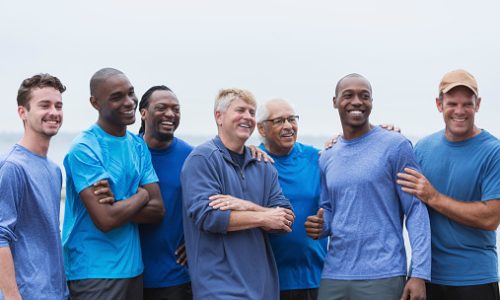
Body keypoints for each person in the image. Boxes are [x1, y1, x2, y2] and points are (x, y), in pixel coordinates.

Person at [305, 73, 431, 300]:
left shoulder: (396, 146)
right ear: (335, 102)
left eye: (364, 96)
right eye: (348, 95)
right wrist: (321, 226)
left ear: (371, 102)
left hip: (383, 273)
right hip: (334, 274)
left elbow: (415, 210)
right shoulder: (328, 155)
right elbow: (329, 208)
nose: (357, 102)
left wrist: (419, 274)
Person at [181, 88, 294, 299]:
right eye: (240, 110)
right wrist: (264, 216)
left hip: (263, 289)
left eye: (252, 112)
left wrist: (248, 206)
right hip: (218, 288)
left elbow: (285, 219)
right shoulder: (202, 159)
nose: (248, 117)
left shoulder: (263, 164)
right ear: (219, 116)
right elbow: (209, 217)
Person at [62, 68, 165, 299]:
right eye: (117, 97)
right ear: (95, 103)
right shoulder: (85, 148)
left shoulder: (138, 146)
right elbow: (106, 220)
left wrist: (118, 205)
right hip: (93, 273)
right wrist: (141, 196)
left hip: (134, 270)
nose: (129, 102)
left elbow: (158, 210)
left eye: (131, 93)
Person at [397, 69, 500, 300]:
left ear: (478, 104)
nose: (460, 111)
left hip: (476, 280)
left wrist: (433, 197)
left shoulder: (494, 152)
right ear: (439, 104)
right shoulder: (422, 148)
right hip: (426, 278)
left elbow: (491, 218)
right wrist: (378, 135)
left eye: (468, 104)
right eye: (452, 103)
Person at [0, 74, 68, 300]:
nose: (54, 112)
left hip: (55, 293)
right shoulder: (12, 167)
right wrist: (12, 297)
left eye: (58, 106)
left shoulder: (54, 170)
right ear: (23, 112)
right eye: (44, 105)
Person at [256, 98, 327, 300]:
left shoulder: (316, 157)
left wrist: (385, 132)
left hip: (316, 277)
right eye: (278, 121)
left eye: (292, 119)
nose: (288, 126)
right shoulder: (251, 161)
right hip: (267, 280)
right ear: (261, 129)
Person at [138, 85, 193, 299]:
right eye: (161, 108)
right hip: (127, 273)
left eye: (176, 109)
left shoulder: (192, 157)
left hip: (175, 277)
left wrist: (197, 241)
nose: (170, 114)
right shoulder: (128, 152)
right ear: (143, 113)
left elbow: (212, 204)